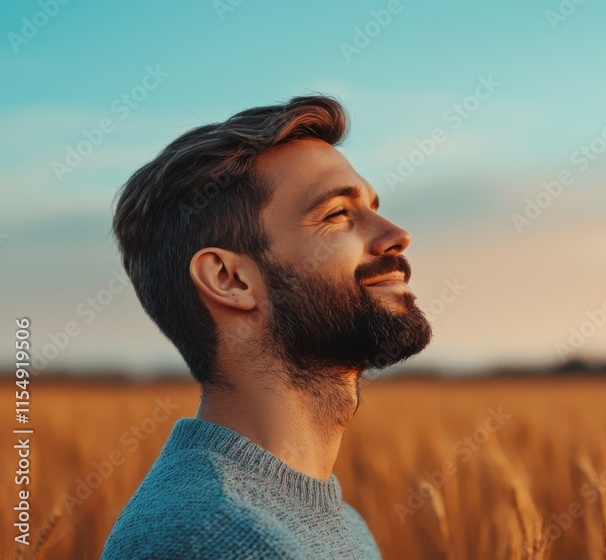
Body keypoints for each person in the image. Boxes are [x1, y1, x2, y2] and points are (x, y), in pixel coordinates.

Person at [101, 95, 432, 559]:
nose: (397, 233)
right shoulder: (204, 536)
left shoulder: (336, 521)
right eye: (338, 213)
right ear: (230, 280)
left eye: (374, 207)